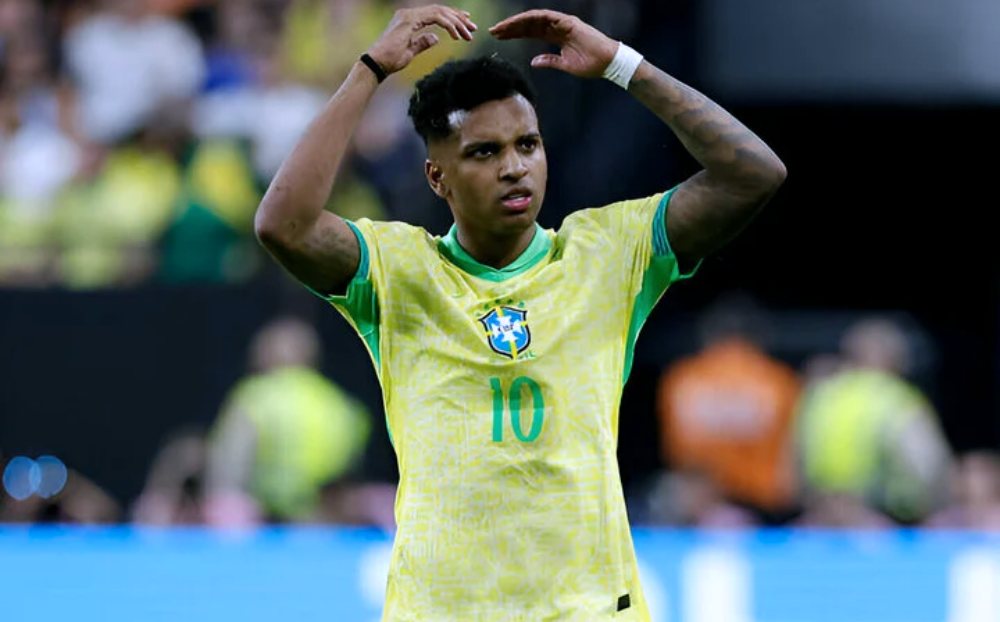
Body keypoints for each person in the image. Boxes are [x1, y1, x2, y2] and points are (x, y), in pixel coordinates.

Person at [254, 5, 785, 620]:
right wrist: (369, 70)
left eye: (527, 144)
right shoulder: (398, 271)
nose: (514, 168)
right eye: (484, 152)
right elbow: (283, 225)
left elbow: (752, 174)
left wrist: (621, 65)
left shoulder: (608, 253)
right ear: (437, 177)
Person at [656, 295, 802, 521]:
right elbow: (791, 451)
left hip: (696, 504)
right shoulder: (778, 379)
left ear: (708, 335)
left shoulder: (683, 377)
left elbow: (674, 449)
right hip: (761, 507)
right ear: (759, 336)